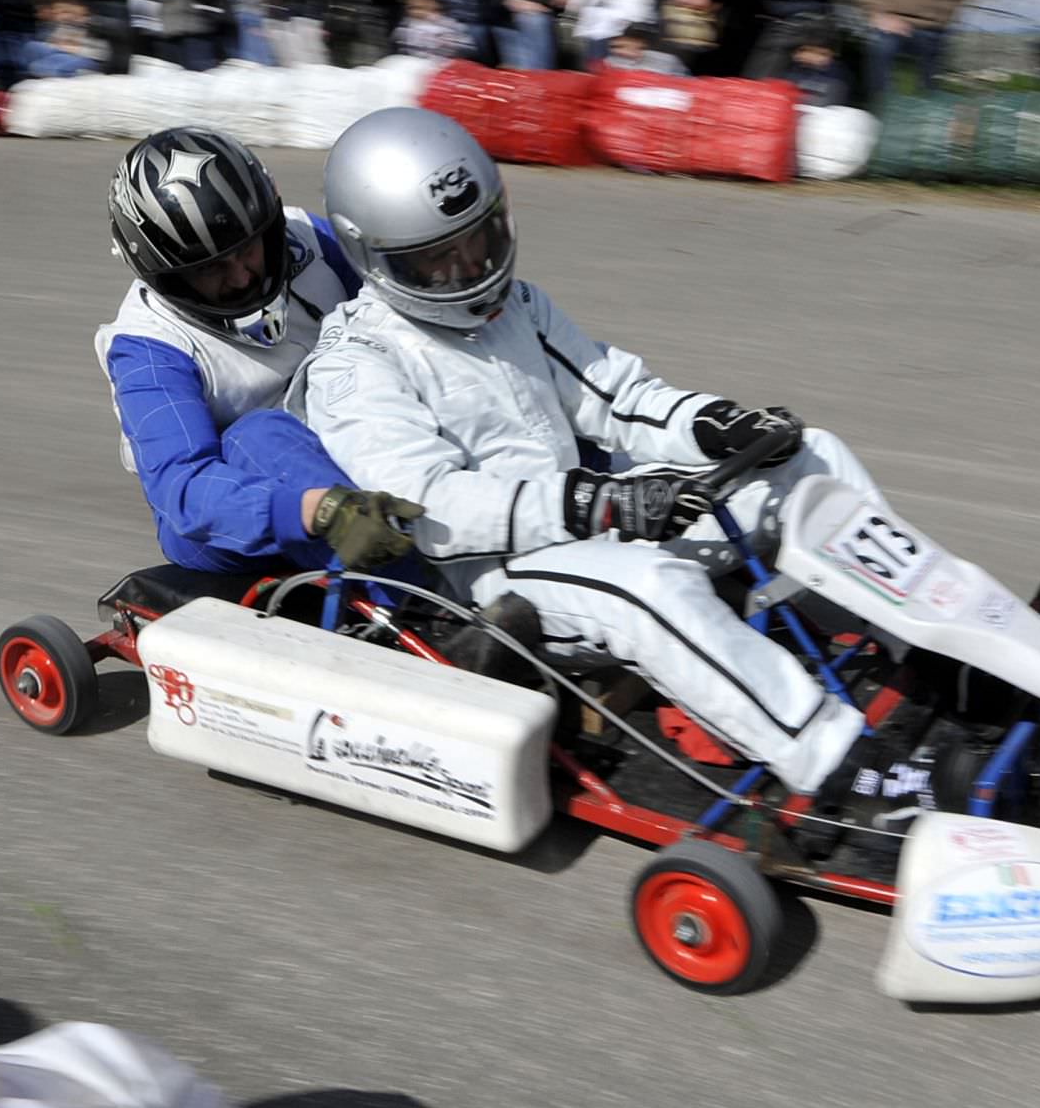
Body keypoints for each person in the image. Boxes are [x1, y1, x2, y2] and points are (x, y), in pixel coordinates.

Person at [292, 107, 910, 805]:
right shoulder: (353, 365)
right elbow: (428, 505)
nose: (471, 267)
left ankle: (927, 647)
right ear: (377, 257)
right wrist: (591, 502)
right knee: (644, 582)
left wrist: (714, 423)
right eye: (440, 257)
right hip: (495, 579)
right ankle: (845, 767)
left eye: (480, 237)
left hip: (588, 512)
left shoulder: (514, 304)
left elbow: (617, 399)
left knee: (807, 460)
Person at [97, 127, 421, 574]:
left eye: (248, 248)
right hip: (231, 514)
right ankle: (425, 602)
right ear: (166, 277)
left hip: (345, 432)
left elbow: (406, 315)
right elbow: (183, 489)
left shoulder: (309, 242)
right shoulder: (149, 347)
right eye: (212, 268)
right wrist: (316, 508)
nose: (242, 277)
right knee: (259, 434)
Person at [392, 0, 474, 59]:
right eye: (413, 8)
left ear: (433, 5)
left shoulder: (447, 23)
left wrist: (449, 41)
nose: (419, 12)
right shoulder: (403, 29)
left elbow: (467, 45)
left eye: (423, 7)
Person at [785, 24, 850, 106]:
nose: (798, 55)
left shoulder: (837, 77)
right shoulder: (794, 68)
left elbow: (829, 103)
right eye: (800, 50)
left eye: (806, 50)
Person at [601, 22, 687, 75]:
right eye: (620, 45)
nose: (632, 44)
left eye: (637, 39)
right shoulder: (606, 64)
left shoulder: (668, 61)